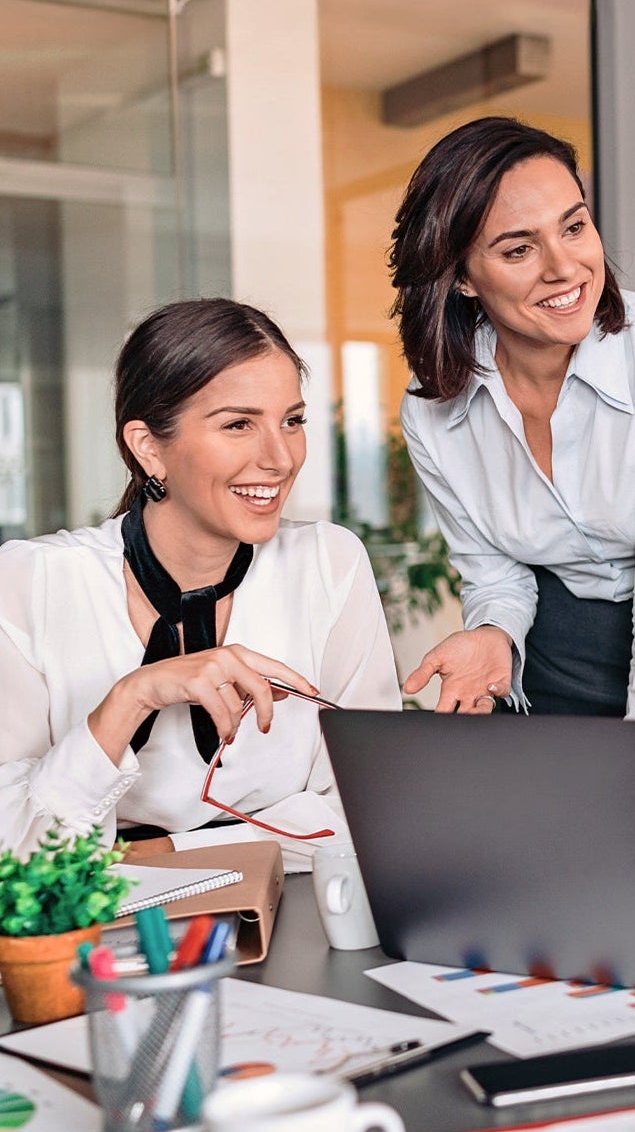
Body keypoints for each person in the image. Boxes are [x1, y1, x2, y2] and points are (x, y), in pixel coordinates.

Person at [391, 116, 635, 812]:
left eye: (574, 227)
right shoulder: (434, 412)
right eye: (518, 249)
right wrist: (493, 633)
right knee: (556, 847)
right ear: (463, 280)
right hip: (559, 637)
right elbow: (494, 572)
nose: (565, 267)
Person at [0, 299, 401, 873]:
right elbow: (15, 857)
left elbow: (369, 811)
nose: (281, 457)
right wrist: (130, 699)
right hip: (89, 930)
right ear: (148, 446)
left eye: (292, 420)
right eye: (239, 424)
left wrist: (164, 852)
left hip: (293, 915)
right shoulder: (27, 583)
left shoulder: (329, 562)